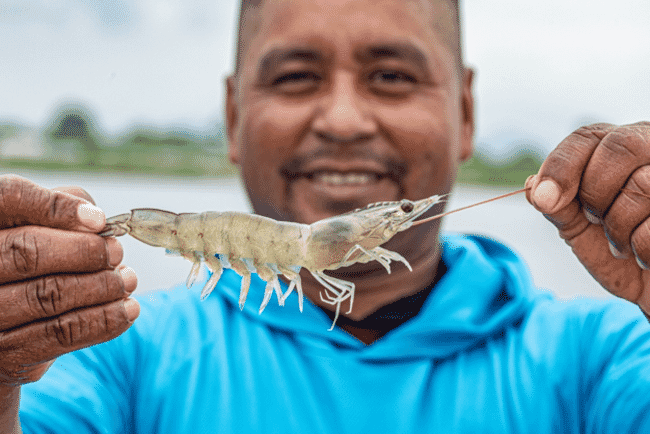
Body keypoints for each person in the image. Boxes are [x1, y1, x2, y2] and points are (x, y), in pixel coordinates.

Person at [2, 0, 650, 432]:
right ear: (232, 116)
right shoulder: (114, 350)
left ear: (466, 114)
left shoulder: (606, 355)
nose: (342, 120)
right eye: (295, 77)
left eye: (392, 75)